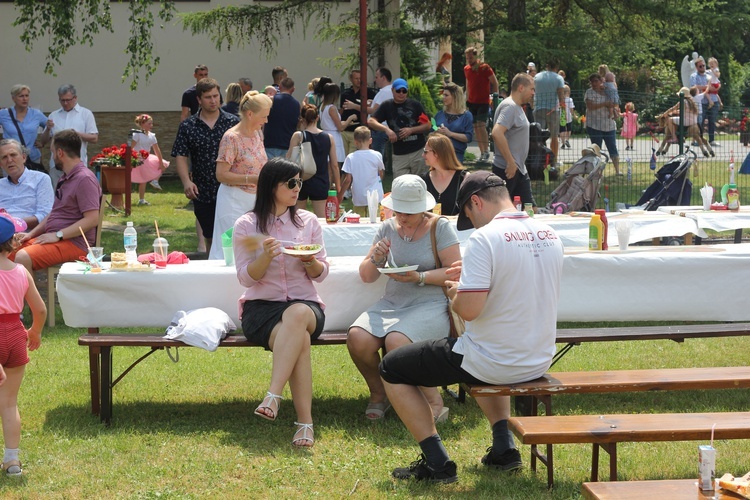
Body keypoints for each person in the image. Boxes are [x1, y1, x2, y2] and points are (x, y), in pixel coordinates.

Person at [380, 170, 564, 484]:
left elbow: (470, 311)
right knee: (481, 348)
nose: (472, 226)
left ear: (475, 202)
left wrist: (455, 290)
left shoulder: (485, 237)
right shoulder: (548, 233)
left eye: (469, 217)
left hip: (495, 359)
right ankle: (503, 447)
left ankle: (437, 462)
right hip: (538, 357)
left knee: (391, 367)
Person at [347, 174, 461, 422]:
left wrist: (420, 277)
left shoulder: (439, 227)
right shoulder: (387, 227)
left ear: (423, 208)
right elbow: (366, 276)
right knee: (357, 338)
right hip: (393, 303)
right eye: (398, 209)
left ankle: (433, 402)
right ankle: (379, 393)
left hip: (430, 304)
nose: (402, 215)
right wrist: (377, 258)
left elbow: (455, 272)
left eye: (408, 211)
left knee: (397, 341)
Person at [233, 157, 329, 447]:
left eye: (300, 182)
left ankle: (273, 395)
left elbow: (322, 273)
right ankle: (305, 424)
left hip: (306, 305)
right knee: (297, 341)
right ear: (271, 186)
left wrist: (310, 261)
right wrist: (265, 256)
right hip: (262, 310)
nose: (298, 188)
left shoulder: (308, 222)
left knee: (298, 314)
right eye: (291, 183)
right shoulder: (247, 225)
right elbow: (246, 280)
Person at [9, 129, 102, 273]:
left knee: (22, 256)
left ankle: (32, 297)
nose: (52, 157)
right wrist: (31, 234)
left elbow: (92, 219)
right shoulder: (65, 178)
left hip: (75, 243)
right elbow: (54, 213)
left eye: (52, 152)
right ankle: (11, 296)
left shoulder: (84, 178)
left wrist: (57, 235)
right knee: (7, 252)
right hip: (57, 238)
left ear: (60, 153)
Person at [172, 78, 240, 256]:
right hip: (202, 189)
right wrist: (186, 182)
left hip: (231, 188)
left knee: (232, 234)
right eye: (208, 97)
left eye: (216, 96)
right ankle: (212, 269)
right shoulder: (188, 126)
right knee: (210, 236)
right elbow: (180, 155)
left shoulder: (233, 123)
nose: (213, 100)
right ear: (199, 100)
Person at [0, 216, 46, 477]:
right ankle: (12, 460)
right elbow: (39, 309)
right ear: (11, 244)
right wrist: (35, 331)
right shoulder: (21, 271)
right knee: (8, 402)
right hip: (15, 336)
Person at [208, 92, 272, 260]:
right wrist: (251, 179)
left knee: (253, 247)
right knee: (232, 248)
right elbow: (221, 174)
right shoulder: (231, 138)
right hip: (233, 201)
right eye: (264, 116)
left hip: (255, 200)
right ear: (250, 114)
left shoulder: (258, 133)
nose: (266, 121)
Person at [368, 79, 431, 178]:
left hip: (417, 151)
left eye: (404, 91)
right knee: (400, 184)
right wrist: (387, 130)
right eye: (398, 91)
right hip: (399, 153)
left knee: (421, 183)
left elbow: (427, 125)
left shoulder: (415, 105)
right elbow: (371, 121)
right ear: (392, 90)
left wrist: (411, 130)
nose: (401, 93)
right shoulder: (387, 105)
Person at [491, 73, 536, 206]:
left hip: (520, 170)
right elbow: (497, 133)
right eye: (531, 89)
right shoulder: (509, 107)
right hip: (507, 170)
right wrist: (510, 162)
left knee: (531, 209)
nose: (533, 93)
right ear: (521, 88)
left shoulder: (518, 107)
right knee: (502, 211)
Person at [287, 104, 340, 217]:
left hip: (301, 179)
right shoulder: (328, 137)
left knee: (298, 218)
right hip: (321, 180)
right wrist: (338, 186)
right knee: (321, 219)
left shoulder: (298, 136)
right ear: (318, 118)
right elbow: (334, 164)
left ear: (302, 119)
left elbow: (288, 158)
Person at [43, 84, 98, 187]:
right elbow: (43, 141)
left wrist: (76, 134)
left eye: (68, 100)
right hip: (56, 166)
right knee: (57, 196)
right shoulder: (53, 115)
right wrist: (48, 129)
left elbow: (94, 138)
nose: (65, 103)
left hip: (77, 165)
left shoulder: (86, 114)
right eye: (62, 100)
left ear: (75, 98)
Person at [0, 139, 54, 230]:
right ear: (1, 164)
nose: (9, 160)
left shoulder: (41, 179)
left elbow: (45, 216)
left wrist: (13, 225)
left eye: (13, 155)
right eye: (4, 157)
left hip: (30, 236)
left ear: (24, 158)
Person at [0, 85, 48, 172]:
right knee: (11, 184)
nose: (24, 99)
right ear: (13, 98)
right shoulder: (3, 114)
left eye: (27, 95)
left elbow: (51, 128)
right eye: (21, 96)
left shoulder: (36, 114)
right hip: (10, 159)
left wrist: (42, 142)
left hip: (32, 157)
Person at [655, 87, 713, 157]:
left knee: (670, 120)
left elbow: (673, 108)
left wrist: (664, 114)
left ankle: (674, 137)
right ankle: (708, 150)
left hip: (686, 121)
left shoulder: (683, 101)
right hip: (694, 122)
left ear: (682, 95)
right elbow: (686, 111)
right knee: (699, 137)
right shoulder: (692, 101)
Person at [464, 47, 499, 162]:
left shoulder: (484, 68)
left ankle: (486, 151)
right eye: (467, 58)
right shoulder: (467, 69)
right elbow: (468, 84)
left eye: (471, 57)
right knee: (475, 127)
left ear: (475, 56)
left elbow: (494, 82)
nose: (469, 60)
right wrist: (466, 98)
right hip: (472, 101)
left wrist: (495, 97)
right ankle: (481, 152)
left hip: (483, 101)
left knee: (481, 125)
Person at [340, 126, 385, 217]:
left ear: (355, 142)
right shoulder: (377, 155)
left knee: (359, 222)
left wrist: (340, 194)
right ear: (370, 140)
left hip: (359, 196)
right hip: (375, 196)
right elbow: (380, 173)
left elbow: (348, 180)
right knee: (375, 221)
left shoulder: (350, 157)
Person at [421, 134, 467, 216]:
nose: (423, 155)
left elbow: (469, 212)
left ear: (437, 153)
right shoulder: (423, 180)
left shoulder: (464, 178)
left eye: (425, 151)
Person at [584, 73, 621, 175]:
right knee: (596, 149)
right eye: (592, 82)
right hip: (594, 125)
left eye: (596, 81)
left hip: (609, 125)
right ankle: (597, 171)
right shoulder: (589, 92)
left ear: (601, 81)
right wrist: (604, 104)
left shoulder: (608, 91)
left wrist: (614, 109)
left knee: (612, 147)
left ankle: (617, 170)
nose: (594, 83)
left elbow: (615, 102)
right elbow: (590, 106)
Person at [130, 114, 169, 205]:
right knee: (142, 180)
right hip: (138, 160)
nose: (151, 126)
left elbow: (157, 150)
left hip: (147, 159)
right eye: (149, 124)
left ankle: (154, 181)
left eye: (152, 124)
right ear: (142, 124)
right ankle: (140, 199)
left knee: (164, 164)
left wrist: (160, 162)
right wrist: (132, 158)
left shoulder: (152, 136)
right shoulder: (137, 135)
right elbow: (131, 147)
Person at [533, 59, 565, 164]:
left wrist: (532, 104)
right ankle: (554, 160)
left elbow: (532, 91)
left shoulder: (537, 77)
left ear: (547, 66)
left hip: (539, 108)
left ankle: (539, 159)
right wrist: (563, 107)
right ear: (556, 67)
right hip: (553, 110)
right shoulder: (558, 78)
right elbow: (561, 95)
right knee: (554, 136)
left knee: (539, 136)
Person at [434, 83, 473, 162]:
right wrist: (436, 132)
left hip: (456, 156)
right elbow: (430, 133)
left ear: (455, 97)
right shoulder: (439, 114)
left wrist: (450, 133)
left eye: (446, 95)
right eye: (443, 95)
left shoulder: (466, 116)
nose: (443, 97)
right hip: (438, 155)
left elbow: (468, 137)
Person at [319, 83, 358, 166]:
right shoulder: (331, 108)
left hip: (325, 134)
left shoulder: (323, 106)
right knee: (334, 165)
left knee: (328, 164)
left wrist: (344, 123)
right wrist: (349, 119)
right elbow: (340, 128)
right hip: (333, 137)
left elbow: (331, 123)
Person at [340, 70, 376, 156]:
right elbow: (341, 110)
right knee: (343, 157)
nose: (359, 80)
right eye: (356, 78)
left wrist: (355, 105)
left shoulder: (369, 93)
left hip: (358, 130)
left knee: (353, 156)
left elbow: (372, 109)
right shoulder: (345, 93)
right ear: (351, 79)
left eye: (360, 78)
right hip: (345, 130)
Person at [264, 77, 300, 159]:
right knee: (284, 171)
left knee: (269, 170)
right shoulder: (296, 104)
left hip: (270, 142)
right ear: (293, 89)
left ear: (279, 87)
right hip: (287, 143)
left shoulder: (272, 100)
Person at [690, 56, 720, 147]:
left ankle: (711, 140)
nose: (703, 67)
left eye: (703, 65)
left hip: (713, 100)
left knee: (712, 121)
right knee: (700, 122)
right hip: (700, 102)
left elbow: (717, 81)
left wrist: (718, 87)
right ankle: (697, 140)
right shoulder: (693, 76)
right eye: (700, 66)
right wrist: (707, 88)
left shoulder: (709, 75)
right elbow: (694, 87)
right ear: (696, 67)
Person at [367, 68, 394, 157]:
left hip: (379, 129)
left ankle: (379, 171)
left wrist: (354, 106)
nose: (375, 80)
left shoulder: (385, 92)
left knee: (377, 156)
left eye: (377, 77)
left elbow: (374, 110)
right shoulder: (390, 90)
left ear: (383, 78)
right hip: (384, 128)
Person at [559, 85, 575, 150]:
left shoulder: (559, 100)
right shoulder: (570, 99)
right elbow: (571, 109)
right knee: (569, 129)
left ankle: (563, 143)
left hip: (561, 117)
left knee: (562, 130)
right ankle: (567, 140)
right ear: (569, 92)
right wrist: (574, 114)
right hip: (568, 117)